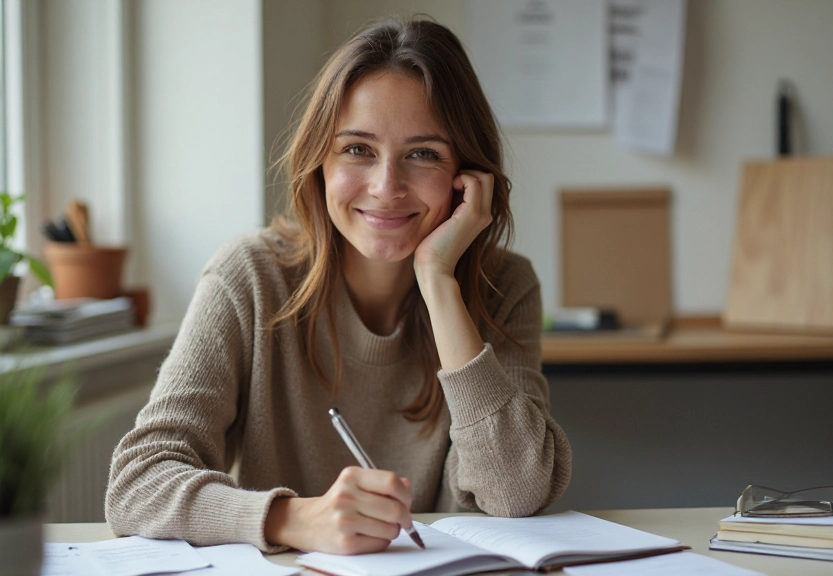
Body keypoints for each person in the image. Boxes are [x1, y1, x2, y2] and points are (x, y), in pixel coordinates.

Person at [105, 17, 571, 555]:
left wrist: (439, 282)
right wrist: (293, 519)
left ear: (466, 177)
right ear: (319, 162)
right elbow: (136, 485)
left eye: (423, 154)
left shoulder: (503, 286)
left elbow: (516, 491)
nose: (386, 186)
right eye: (357, 149)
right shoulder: (250, 277)